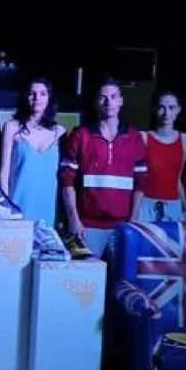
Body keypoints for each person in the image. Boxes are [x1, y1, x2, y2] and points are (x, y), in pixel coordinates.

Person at [60, 79, 147, 258]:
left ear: (121, 101)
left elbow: (140, 184)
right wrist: (74, 220)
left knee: (120, 276)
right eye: (103, 98)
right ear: (95, 102)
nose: (108, 102)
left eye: (113, 97)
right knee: (87, 275)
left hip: (122, 227)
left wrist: (132, 222)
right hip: (86, 226)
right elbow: (67, 181)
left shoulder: (134, 137)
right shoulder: (81, 135)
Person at [0, 77, 66, 224]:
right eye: (32, 93)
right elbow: (4, 171)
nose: (37, 98)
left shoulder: (59, 132)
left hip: (47, 208)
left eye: (42, 93)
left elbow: (63, 178)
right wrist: (6, 206)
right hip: (17, 207)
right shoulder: (12, 127)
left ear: (49, 98)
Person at [136, 90, 186, 223]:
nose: (166, 113)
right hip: (146, 205)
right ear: (154, 109)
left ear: (178, 110)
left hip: (173, 206)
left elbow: (177, 178)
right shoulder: (143, 138)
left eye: (171, 108)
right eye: (161, 108)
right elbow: (138, 179)